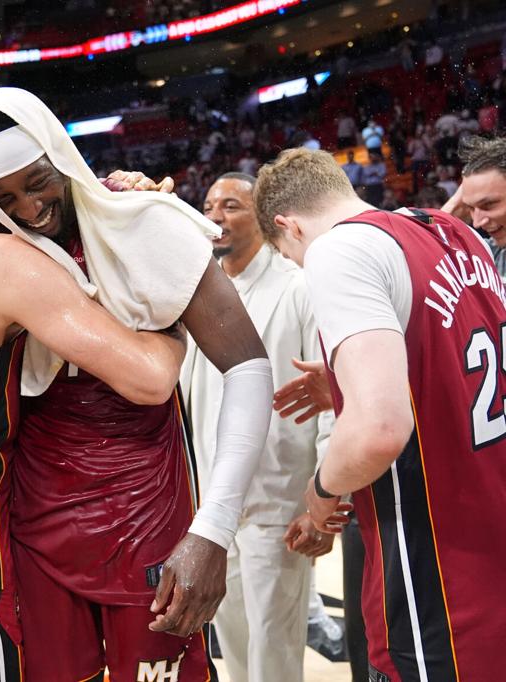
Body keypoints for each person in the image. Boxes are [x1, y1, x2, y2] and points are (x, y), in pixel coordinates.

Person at [0, 81, 273, 682]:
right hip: (31, 532)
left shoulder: (141, 221)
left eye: (37, 183)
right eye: (4, 195)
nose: (29, 209)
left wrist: (213, 530)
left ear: (60, 154)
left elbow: (248, 367)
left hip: (145, 520)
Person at [255, 147, 506, 681]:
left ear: (287, 226)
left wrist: (322, 491)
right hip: (491, 534)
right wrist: (348, 384)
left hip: (436, 566)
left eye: (290, 256)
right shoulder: (451, 230)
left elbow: (379, 430)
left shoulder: (337, 250)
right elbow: (453, 371)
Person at [181, 172, 333, 682]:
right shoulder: (198, 290)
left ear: (264, 218)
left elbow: (331, 396)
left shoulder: (298, 285)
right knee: (234, 646)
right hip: (215, 503)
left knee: (274, 647)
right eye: (209, 206)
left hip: (279, 500)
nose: (216, 216)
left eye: (231, 206)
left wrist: (325, 497)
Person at [443, 135, 506, 275]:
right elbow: (425, 245)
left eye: (488, 204)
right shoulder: (491, 255)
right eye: (470, 208)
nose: (477, 223)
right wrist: (454, 205)